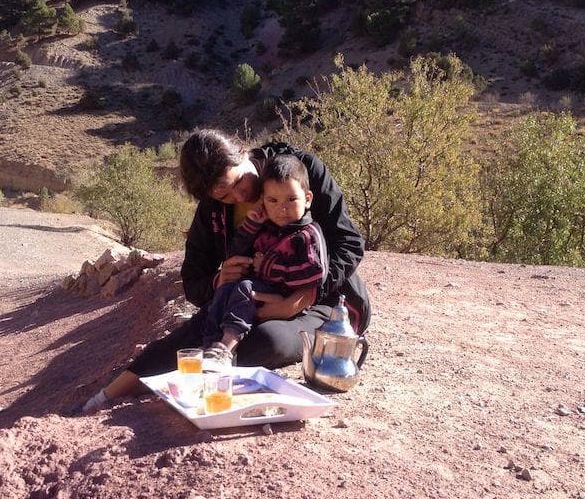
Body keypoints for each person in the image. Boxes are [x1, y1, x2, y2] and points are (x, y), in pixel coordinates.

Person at [80, 129, 370, 412]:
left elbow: (349, 243)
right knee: (186, 340)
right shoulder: (212, 210)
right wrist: (218, 280)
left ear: (243, 152)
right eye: (225, 196)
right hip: (251, 299)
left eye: (239, 181)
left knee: (266, 340)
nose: (239, 196)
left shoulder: (297, 171)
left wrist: (301, 297)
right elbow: (194, 280)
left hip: (324, 301)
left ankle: (197, 378)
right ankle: (102, 399)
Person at [201, 154, 327, 358]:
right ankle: (210, 346)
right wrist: (251, 226)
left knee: (244, 288)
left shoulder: (307, 234)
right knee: (226, 288)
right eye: (273, 201)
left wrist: (268, 266)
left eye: (291, 199)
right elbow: (234, 254)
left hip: (286, 297)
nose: (282, 208)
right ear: (263, 201)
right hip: (263, 290)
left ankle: (226, 347)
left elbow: (314, 273)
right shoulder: (268, 230)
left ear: (307, 199)